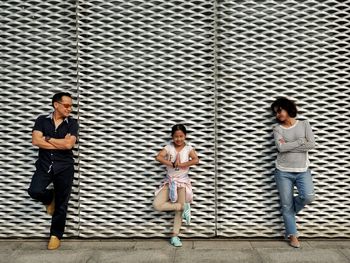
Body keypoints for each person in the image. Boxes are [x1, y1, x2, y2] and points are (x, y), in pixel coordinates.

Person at [28, 92, 78, 250]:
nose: (70, 109)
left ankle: (55, 235)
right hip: (44, 165)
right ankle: (50, 197)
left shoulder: (72, 123)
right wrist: (59, 142)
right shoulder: (42, 120)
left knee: (62, 204)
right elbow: (36, 141)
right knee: (34, 190)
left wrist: (48, 139)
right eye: (67, 105)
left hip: (65, 167)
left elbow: (69, 145)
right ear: (56, 105)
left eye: (71, 105)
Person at [271, 97, 316, 248]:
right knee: (286, 204)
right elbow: (281, 148)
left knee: (308, 196)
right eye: (276, 113)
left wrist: (291, 144)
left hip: (303, 169)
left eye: (280, 111)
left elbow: (311, 144)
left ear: (288, 108)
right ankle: (293, 235)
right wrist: (300, 142)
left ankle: (288, 212)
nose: (278, 115)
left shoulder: (304, 124)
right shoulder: (277, 128)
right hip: (283, 171)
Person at [153, 124, 199, 247]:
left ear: (185, 136)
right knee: (157, 204)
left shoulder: (188, 148)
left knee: (178, 214)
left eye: (181, 136)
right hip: (170, 181)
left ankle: (175, 236)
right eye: (176, 136)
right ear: (172, 137)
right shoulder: (169, 147)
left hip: (182, 183)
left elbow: (196, 160)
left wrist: (183, 163)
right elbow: (158, 157)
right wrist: (171, 163)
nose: (178, 139)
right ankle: (182, 207)